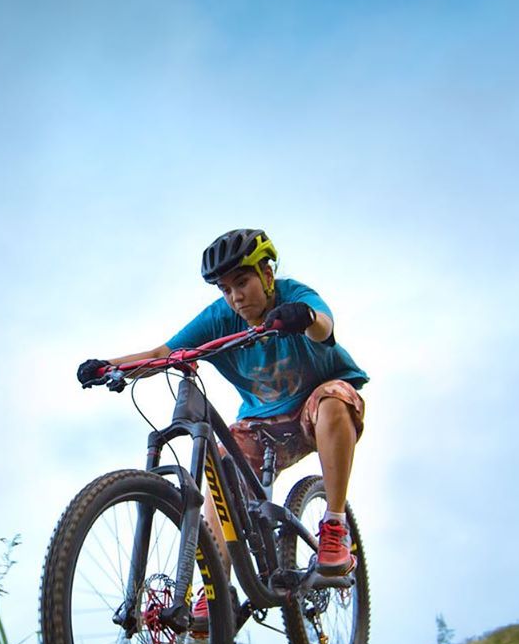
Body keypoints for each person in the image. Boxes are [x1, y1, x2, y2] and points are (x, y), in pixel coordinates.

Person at [76, 228, 368, 575]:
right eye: (226, 289)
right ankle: (216, 588)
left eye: (242, 282)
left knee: (333, 398)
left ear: (268, 275)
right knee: (221, 463)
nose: (236, 297)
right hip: (263, 425)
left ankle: (334, 525)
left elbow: (324, 327)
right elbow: (161, 354)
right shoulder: (219, 319)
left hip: (316, 411)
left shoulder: (294, 296)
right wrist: (110, 367)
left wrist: (303, 317)